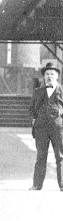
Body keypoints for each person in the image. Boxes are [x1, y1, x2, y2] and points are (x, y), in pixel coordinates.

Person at [30, 62, 63, 191]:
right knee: (40, 156)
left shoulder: (62, 90)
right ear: (44, 77)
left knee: (60, 156)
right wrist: (33, 119)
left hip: (58, 129)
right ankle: (37, 185)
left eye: (52, 74)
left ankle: (62, 185)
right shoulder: (38, 91)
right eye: (47, 74)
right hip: (41, 129)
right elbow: (31, 108)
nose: (49, 76)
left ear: (57, 76)